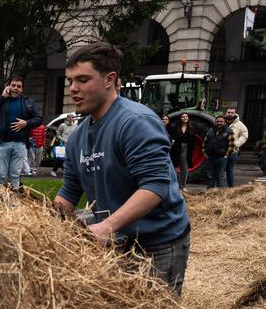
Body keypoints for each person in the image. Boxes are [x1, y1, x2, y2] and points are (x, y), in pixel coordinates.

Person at [53, 42, 191, 295]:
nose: (73, 89)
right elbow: (68, 193)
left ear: (110, 80)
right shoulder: (77, 137)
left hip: (157, 244)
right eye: (70, 81)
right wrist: (39, 224)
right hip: (116, 243)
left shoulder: (135, 122)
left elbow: (155, 185)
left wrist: (106, 227)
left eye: (83, 80)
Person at [0, 76, 42, 189]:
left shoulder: (27, 102)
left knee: (15, 175)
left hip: (20, 143)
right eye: (13, 85)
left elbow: (39, 119)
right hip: (2, 143)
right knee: (1, 175)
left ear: (22, 89)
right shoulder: (0, 99)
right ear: (8, 86)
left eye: (19, 86)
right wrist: (2, 97)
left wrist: (26, 123)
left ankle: (15, 200)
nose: (15, 88)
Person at [203, 115, 234, 190]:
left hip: (221, 158)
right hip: (210, 158)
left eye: (221, 121)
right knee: (210, 176)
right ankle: (210, 192)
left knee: (220, 177)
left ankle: (219, 194)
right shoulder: (210, 131)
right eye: (217, 121)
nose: (219, 123)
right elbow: (205, 143)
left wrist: (226, 156)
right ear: (215, 122)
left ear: (224, 122)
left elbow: (231, 146)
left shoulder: (229, 131)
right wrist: (205, 154)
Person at [169, 112, 196, 190]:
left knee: (184, 168)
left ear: (188, 118)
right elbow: (172, 137)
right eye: (183, 117)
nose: (185, 118)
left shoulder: (191, 128)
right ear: (180, 118)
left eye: (186, 116)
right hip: (176, 148)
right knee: (175, 167)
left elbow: (194, 140)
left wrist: (192, 148)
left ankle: (182, 186)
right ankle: (175, 185)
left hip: (186, 148)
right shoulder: (175, 127)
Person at [223, 106, 249, 188]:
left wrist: (237, 143)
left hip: (233, 151)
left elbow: (245, 135)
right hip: (221, 150)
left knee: (229, 170)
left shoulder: (239, 124)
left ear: (235, 113)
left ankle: (230, 188)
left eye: (232, 113)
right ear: (226, 113)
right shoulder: (221, 122)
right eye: (228, 112)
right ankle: (219, 188)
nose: (230, 114)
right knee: (220, 170)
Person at [52, 113, 79, 177]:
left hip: (72, 145)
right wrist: (63, 139)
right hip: (63, 145)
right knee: (60, 158)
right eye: (69, 117)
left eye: (72, 117)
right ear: (67, 118)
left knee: (70, 159)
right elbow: (58, 134)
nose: (71, 118)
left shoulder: (76, 126)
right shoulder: (62, 125)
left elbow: (77, 135)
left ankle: (67, 171)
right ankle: (53, 171)